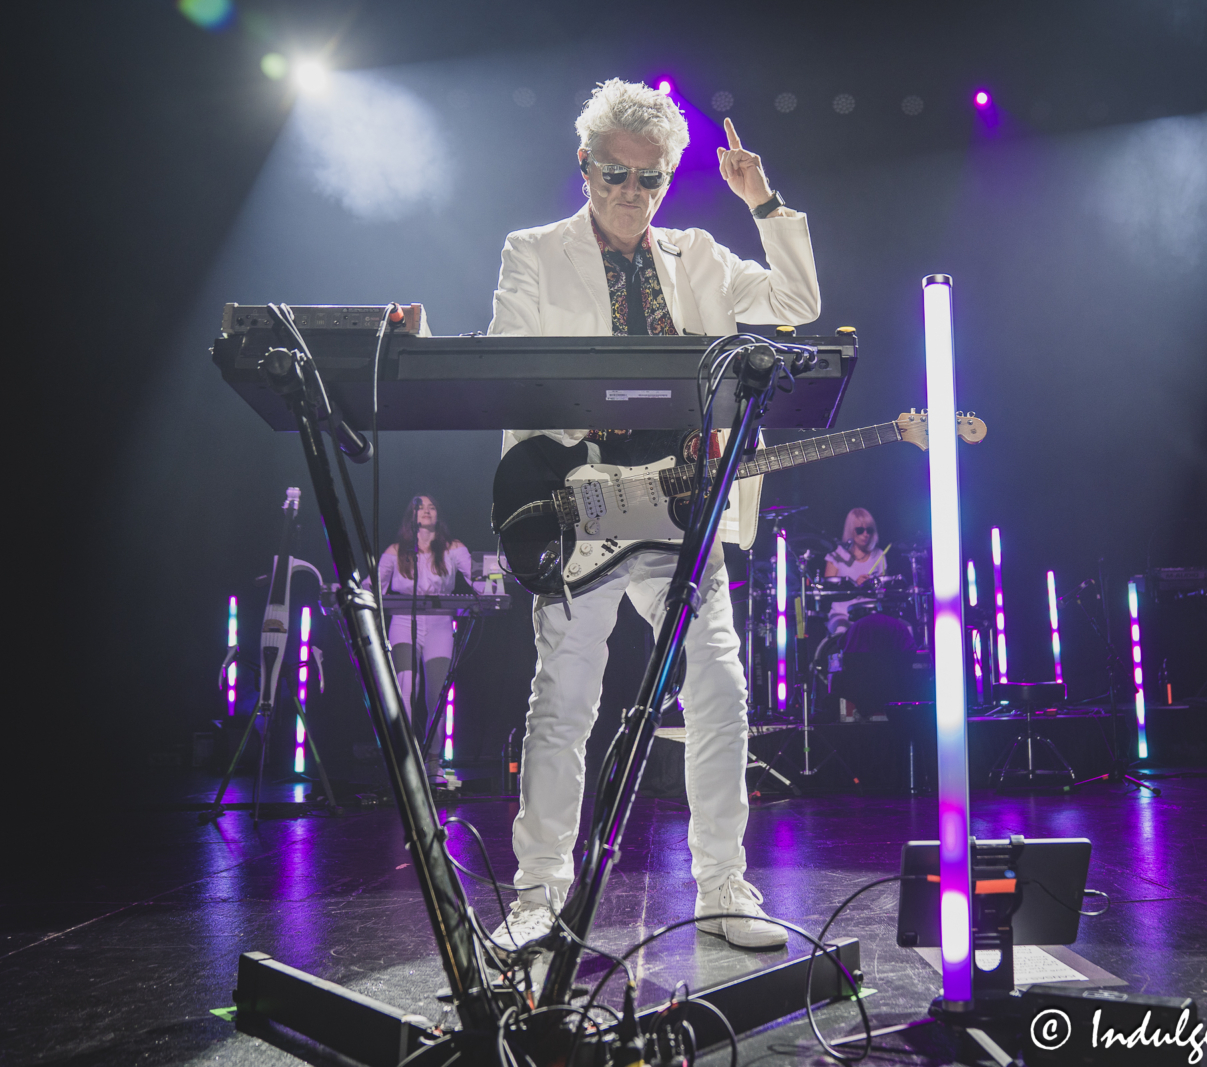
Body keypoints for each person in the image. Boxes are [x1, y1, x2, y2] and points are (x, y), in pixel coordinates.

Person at [487, 79, 820, 951]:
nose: (630, 194)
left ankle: (722, 885)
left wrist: (764, 203)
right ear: (584, 166)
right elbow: (508, 366)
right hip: (589, 505)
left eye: (649, 180)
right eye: (614, 174)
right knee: (564, 700)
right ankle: (537, 894)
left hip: (683, 514)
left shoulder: (702, 255)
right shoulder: (533, 251)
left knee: (721, 691)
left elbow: (798, 306)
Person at [376, 495, 472, 784]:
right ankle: (405, 757)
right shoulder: (395, 552)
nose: (427, 511)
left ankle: (433, 760)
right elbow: (374, 586)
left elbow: (479, 578)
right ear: (412, 515)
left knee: (436, 693)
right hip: (404, 622)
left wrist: (496, 581)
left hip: (440, 625)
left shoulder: (454, 549)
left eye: (432, 507)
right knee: (406, 687)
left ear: (437, 514)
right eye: (421, 507)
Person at [822, 507, 886, 635]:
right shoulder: (837, 554)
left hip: (870, 615)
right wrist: (854, 585)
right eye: (860, 530)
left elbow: (883, 590)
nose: (865, 534)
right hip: (842, 615)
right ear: (851, 531)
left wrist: (872, 585)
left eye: (869, 530)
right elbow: (828, 590)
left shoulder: (879, 555)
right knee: (842, 631)